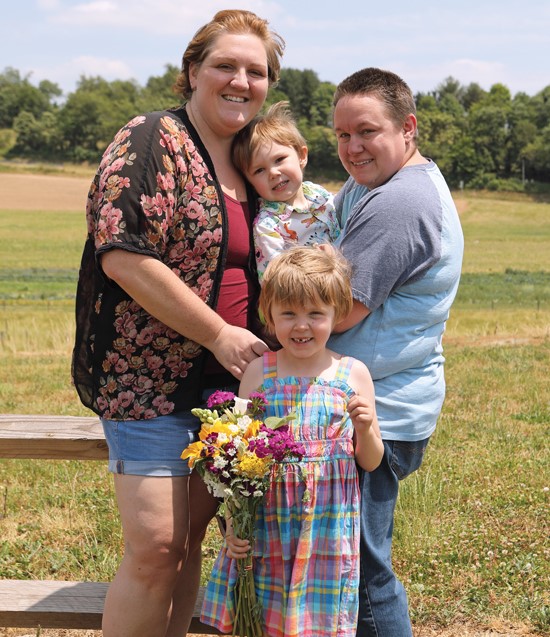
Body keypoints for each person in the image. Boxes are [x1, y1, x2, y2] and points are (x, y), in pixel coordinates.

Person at [71, 10, 285, 637]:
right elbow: (123, 255)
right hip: (147, 381)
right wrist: (218, 332)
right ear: (191, 72)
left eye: (256, 70)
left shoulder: (250, 162)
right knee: (157, 547)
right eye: (226, 65)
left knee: (191, 540)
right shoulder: (150, 139)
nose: (241, 80)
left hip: (224, 391)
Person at [327, 67, 464, 637]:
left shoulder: (398, 204)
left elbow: (335, 311)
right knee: (347, 567)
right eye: (341, 135)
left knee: (360, 573)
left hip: (375, 411)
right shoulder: (374, 185)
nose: (353, 148)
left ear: (407, 128)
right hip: (373, 400)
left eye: (367, 132)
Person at [200, 245, 385, 637]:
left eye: (315, 313)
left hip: (325, 529)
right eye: (289, 314)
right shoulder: (258, 373)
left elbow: (370, 461)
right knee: (261, 614)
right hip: (266, 524)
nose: (302, 326)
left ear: (336, 314)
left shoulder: (352, 374)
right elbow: (237, 460)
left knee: (317, 620)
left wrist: (366, 428)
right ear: (269, 316)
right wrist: (233, 527)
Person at [232, 100, 340, 282]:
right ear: (250, 183)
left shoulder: (319, 194)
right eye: (259, 170)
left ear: (301, 156)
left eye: (279, 159)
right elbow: (276, 282)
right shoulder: (268, 225)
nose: (273, 173)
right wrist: (326, 262)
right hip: (305, 301)